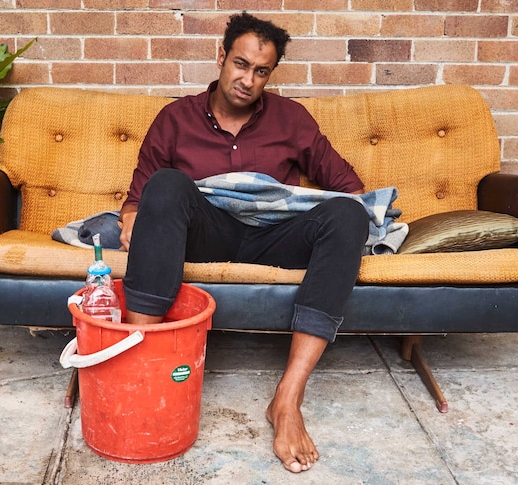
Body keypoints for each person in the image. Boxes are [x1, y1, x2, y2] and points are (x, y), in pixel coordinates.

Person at [118, 12, 370, 473]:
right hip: (204, 234)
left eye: (261, 71)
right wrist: (138, 221)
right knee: (169, 184)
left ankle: (288, 399)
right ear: (221, 57)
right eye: (240, 64)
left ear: (270, 75)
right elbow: (136, 201)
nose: (247, 79)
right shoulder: (174, 119)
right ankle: (141, 366)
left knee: (348, 213)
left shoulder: (292, 119)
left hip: (274, 238)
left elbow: (350, 189)